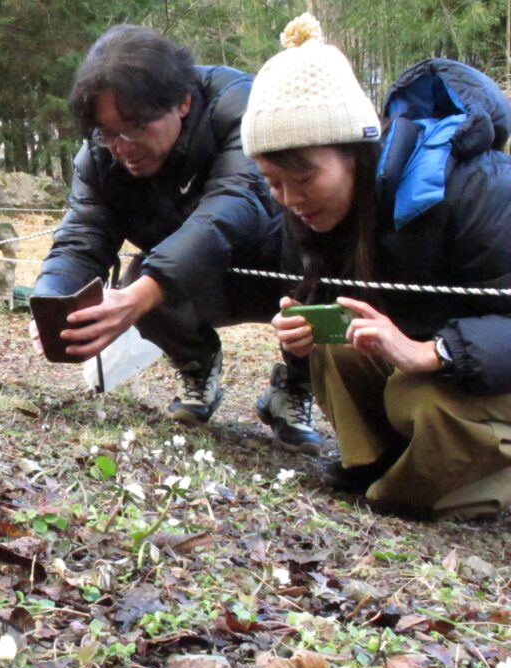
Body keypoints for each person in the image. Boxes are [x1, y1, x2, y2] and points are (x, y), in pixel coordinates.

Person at [241, 14, 511, 520]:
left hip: (476, 373)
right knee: (336, 340)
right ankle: (378, 464)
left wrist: (437, 352)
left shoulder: (476, 187)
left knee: (424, 398)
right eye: (273, 181)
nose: (290, 199)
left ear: (355, 153)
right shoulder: (319, 215)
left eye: (302, 177)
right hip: (444, 368)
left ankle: (442, 488)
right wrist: (299, 344)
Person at [30, 24, 323, 454]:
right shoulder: (100, 156)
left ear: (183, 101)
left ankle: (296, 386)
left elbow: (235, 205)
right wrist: (50, 301)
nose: (122, 147)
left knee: (319, 271)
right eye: (109, 133)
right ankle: (196, 363)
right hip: (190, 282)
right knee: (138, 281)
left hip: (274, 266)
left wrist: (144, 293)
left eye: (134, 128)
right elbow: (81, 237)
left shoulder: (241, 107)